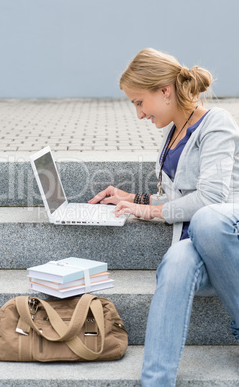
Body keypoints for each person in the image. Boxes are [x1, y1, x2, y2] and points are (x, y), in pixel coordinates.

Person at [88, 48, 239, 386]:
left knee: (208, 220)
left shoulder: (216, 123)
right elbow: (179, 200)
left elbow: (211, 200)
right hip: (195, 244)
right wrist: (135, 199)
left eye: (139, 102)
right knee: (175, 263)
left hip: (230, 237)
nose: (139, 114)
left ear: (165, 91)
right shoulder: (174, 133)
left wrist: (148, 210)